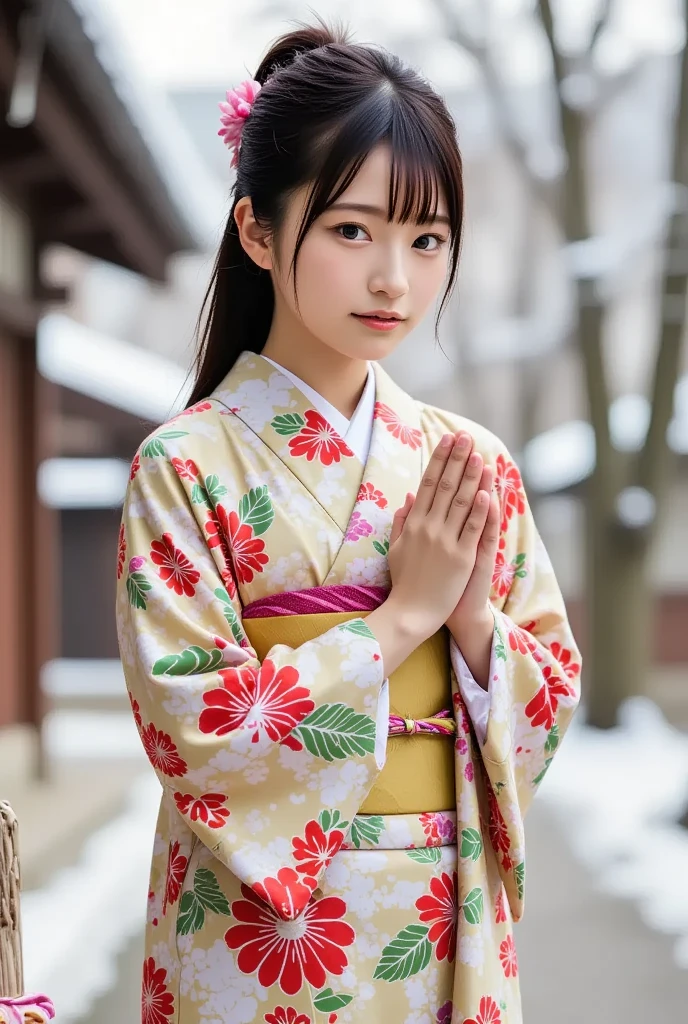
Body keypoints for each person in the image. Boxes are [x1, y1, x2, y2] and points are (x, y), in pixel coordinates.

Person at [116, 20, 581, 1024]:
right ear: (257, 231)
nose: (394, 280)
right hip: (257, 929)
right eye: (351, 230)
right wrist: (398, 621)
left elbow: (549, 693)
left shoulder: (472, 462)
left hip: (436, 911)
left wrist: (471, 629)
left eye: (426, 239)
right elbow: (188, 722)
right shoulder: (185, 466)